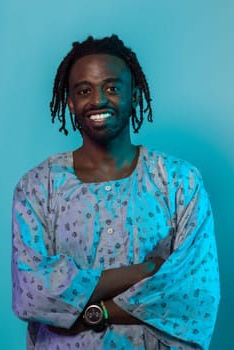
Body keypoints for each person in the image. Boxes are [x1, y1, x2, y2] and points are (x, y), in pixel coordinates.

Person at [12, 35, 220, 350]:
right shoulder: (39, 187)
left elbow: (194, 292)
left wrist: (94, 311)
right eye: (84, 90)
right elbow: (32, 291)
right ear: (69, 101)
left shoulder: (179, 181)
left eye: (112, 88)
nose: (98, 100)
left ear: (135, 96)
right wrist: (146, 270)